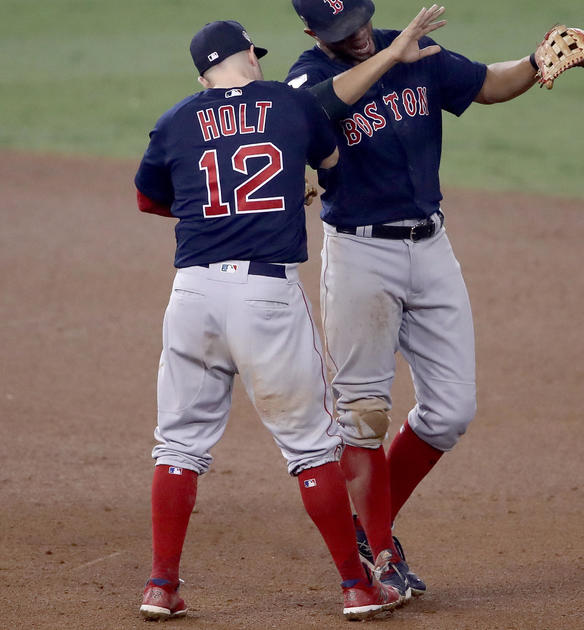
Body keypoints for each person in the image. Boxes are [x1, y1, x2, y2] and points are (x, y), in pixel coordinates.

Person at [132, 12, 452, 621]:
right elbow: (330, 169)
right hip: (264, 296)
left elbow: (151, 197)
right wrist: (287, 190)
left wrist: (213, 207)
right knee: (311, 448)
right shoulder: (287, 103)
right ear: (248, 56)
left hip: (192, 295)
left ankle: (159, 585)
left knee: (178, 443)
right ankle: (357, 588)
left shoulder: (174, 120)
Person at [285, 0, 542, 599]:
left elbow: (485, 84)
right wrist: (388, 59)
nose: (354, 38)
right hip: (359, 254)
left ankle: (367, 528)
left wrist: (536, 62)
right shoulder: (305, 75)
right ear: (311, 33)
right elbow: (310, 113)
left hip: (431, 247)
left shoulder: (417, 50)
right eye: (338, 33)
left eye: (359, 24)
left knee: (451, 410)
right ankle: (378, 552)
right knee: (365, 415)